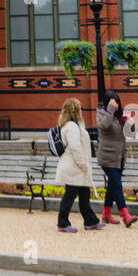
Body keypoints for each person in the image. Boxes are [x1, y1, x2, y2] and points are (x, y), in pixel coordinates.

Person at [54, 97, 102, 232]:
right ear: (75, 110)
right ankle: (62, 223)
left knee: (84, 195)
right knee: (70, 195)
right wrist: (83, 165)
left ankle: (91, 221)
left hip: (77, 168)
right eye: (80, 108)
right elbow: (75, 148)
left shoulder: (75, 126)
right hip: (74, 167)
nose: (82, 110)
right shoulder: (71, 127)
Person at [96, 95, 136, 227]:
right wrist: (111, 109)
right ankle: (125, 216)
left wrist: (131, 124)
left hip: (119, 158)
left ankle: (106, 214)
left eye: (117, 102)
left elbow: (131, 135)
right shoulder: (102, 114)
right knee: (117, 185)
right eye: (113, 103)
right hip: (107, 158)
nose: (116, 105)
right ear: (108, 104)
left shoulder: (119, 118)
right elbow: (104, 126)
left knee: (112, 186)